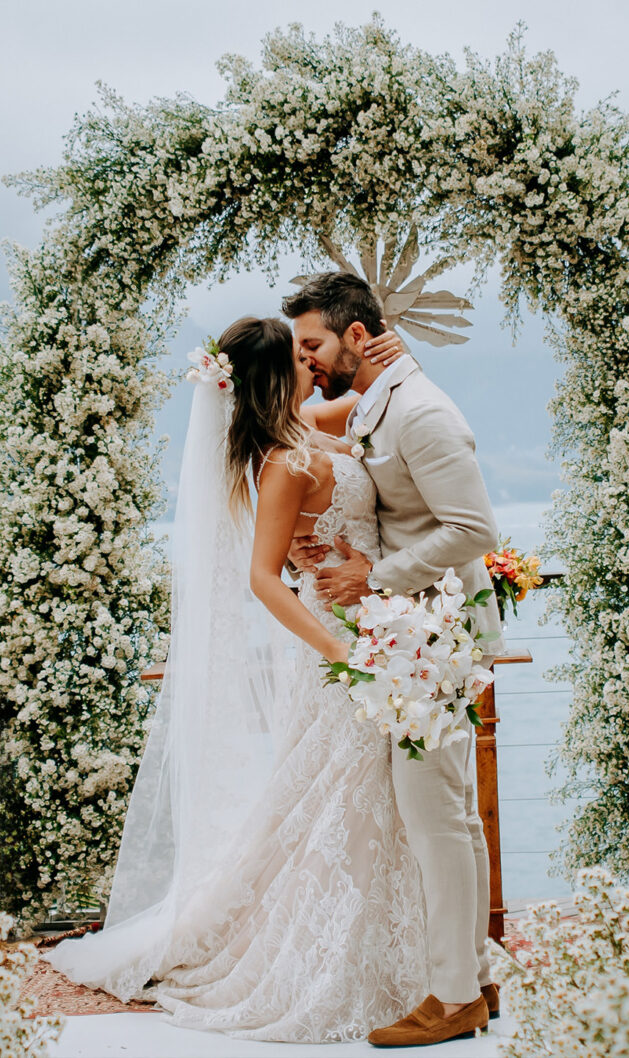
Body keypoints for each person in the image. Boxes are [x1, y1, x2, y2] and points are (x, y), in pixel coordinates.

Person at [43, 316, 431, 1044]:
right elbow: (263, 578)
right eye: (300, 354)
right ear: (270, 376)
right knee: (345, 800)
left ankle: (411, 953)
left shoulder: (314, 423)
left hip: (373, 625)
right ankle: (335, 960)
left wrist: (396, 356)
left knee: (362, 798)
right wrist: (340, 656)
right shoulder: (284, 461)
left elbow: (386, 398)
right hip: (339, 647)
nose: (316, 362)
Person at [282, 271, 504, 1048]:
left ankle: (451, 999)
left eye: (312, 343)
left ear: (352, 336)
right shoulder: (386, 396)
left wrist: (373, 575)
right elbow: (390, 494)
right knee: (448, 818)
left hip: (431, 635)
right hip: (418, 630)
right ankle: (471, 979)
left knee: (432, 817)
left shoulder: (419, 411)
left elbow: (472, 527)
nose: (304, 359)